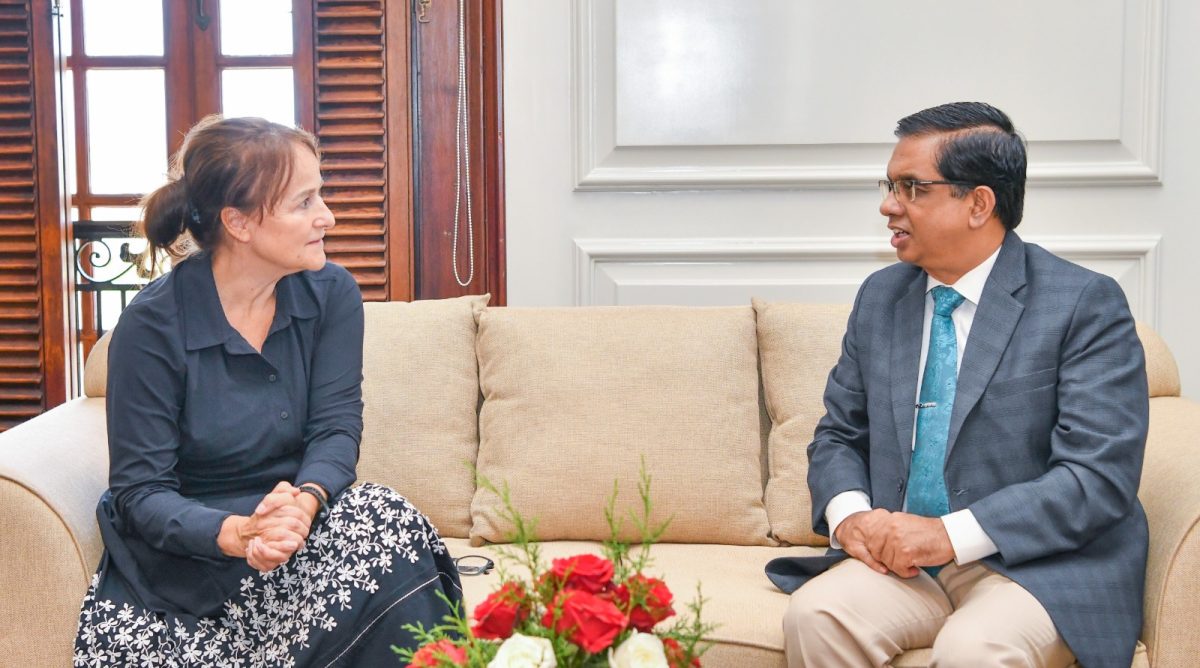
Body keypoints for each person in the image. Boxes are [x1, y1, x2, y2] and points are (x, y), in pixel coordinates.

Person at [767, 102, 1149, 668]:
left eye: (911, 188)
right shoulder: (882, 297)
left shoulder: (1082, 304)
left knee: (974, 649)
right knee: (816, 614)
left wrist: (948, 535)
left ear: (978, 204)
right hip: (903, 566)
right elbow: (840, 435)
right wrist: (852, 518)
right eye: (889, 186)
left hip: (1035, 565)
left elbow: (1096, 478)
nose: (888, 205)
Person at [74, 116, 462, 666]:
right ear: (239, 222)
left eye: (319, 195)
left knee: (383, 513)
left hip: (296, 532)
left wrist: (304, 504)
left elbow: (336, 428)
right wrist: (237, 533)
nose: (326, 216)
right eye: (304, 202)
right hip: (191, 558)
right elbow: (140, 494)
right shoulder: (151, 327)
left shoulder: (331, 294)